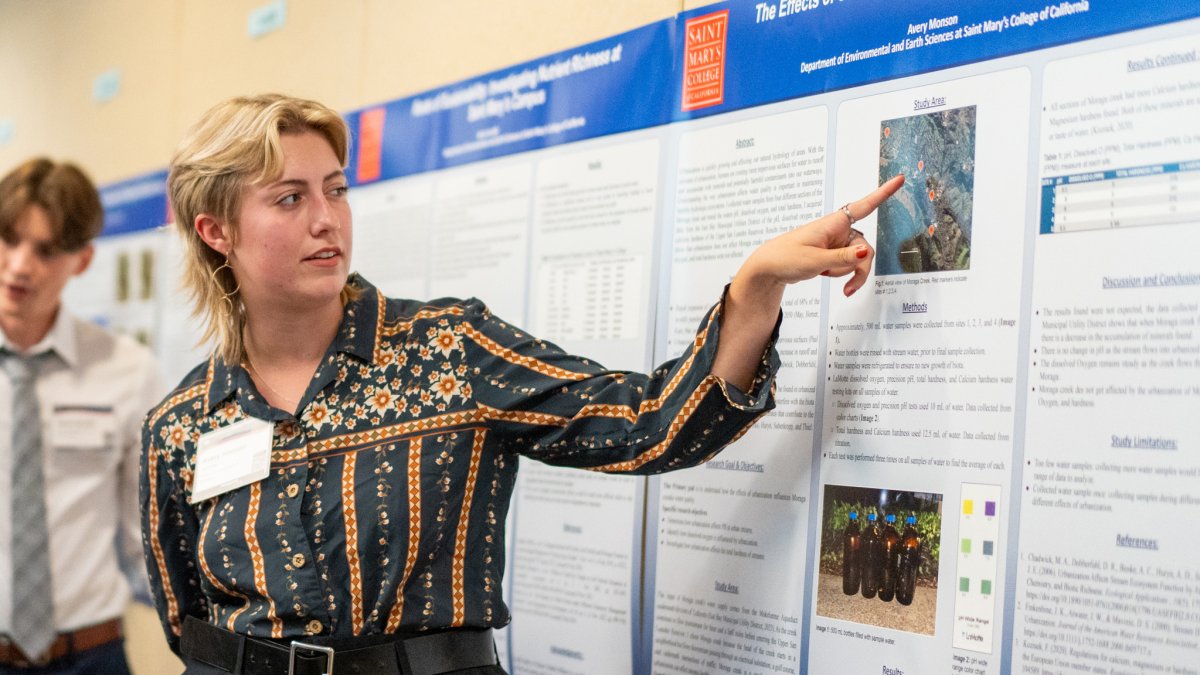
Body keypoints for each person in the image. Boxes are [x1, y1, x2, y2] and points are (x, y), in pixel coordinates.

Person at [141, 93, 903, 675]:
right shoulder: (180, 423)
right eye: (289, 197)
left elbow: (649, 423)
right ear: (216, 230)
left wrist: (757, 284)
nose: (326, 219)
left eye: (335, 189)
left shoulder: (448, 350)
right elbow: (185, 618)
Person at [0, 158, 163, 674]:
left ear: (83, 259)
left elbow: (150, 533)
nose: (20, 265)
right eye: (8, 238)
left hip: (89, 657)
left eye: (46, 251)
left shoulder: (126, 371)